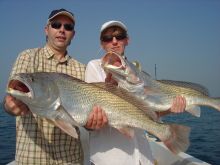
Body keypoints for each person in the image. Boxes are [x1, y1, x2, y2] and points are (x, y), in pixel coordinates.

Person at [3, 9, 107, 165]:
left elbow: (85, 118)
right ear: (47, 29)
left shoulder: (81, 69)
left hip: (71, 160)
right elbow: (12, 97)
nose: (62, 30)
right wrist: (9, 106)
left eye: (68, 27)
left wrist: (92, 125)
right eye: (56, 24)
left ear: (73, 34)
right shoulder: (27, 57)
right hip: (31, 160)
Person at [85, 20, 186, 165]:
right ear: (102, 43)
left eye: (119, 36)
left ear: (127, 40)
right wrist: (110, 89)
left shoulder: (137, 74)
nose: (114, 42)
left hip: (143, 158)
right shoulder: (94, 67)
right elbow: (94, 114)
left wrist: (170, 108)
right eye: (108, 38)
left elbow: (149, 113)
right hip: (111, 160)